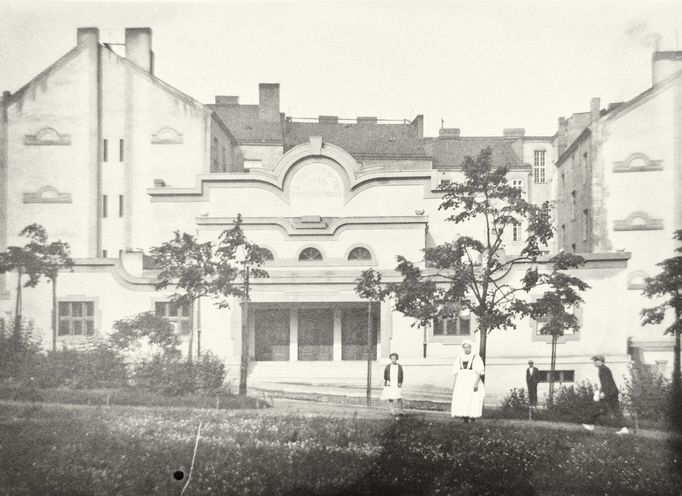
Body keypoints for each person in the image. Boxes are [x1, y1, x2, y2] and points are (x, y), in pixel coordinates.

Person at [582, 354, 630, 435]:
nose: (593, 363)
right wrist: (601, 392)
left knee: (599, 407)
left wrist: (604, 393)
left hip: (609, 393)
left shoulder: (603, 369)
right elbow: (604, 383)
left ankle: (590, 424)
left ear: (599, 361)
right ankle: (624, 428)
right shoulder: (603, 369)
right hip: (611, 392)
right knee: (613, 410)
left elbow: (606, 382)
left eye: (595, 361)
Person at [451, 339, 485, 422]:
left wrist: (476, 383)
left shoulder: (476, 357)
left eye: (468, 347)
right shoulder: (459, 357)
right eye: (465, 347)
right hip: (462, 381)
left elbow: (479, 371)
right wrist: (455, 384)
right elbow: (456, 371)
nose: (467, 349)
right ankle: (465, 417)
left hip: (472, 380)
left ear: (471, 347)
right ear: (463, 348)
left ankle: (473, 417)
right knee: (463, 398)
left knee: (472, 398)